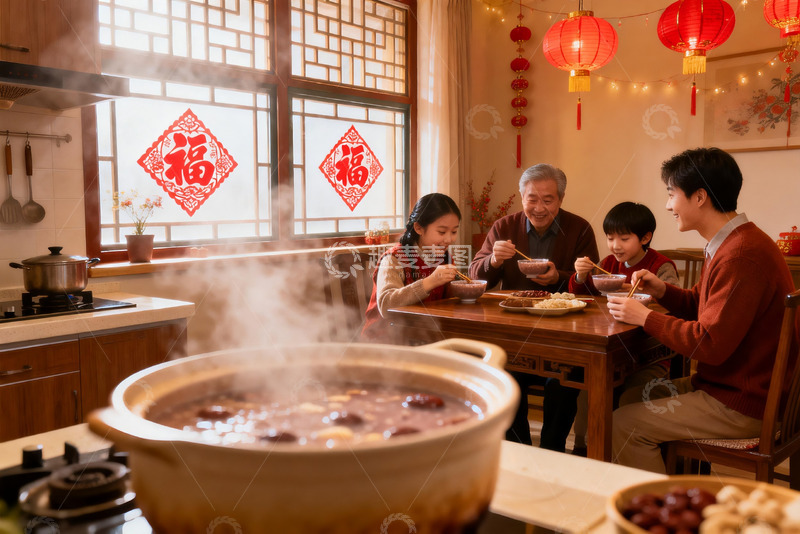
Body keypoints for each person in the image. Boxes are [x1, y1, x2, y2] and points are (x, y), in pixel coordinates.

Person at [609, 147, 797, 474]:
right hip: (730, 389)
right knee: (630, 399)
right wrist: (662, 290)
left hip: (743, 404)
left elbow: (709, 344)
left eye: (671, 194)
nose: (668, 205)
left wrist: (644, 316)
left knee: (625, 423)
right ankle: (679, 490)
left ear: (699, 197)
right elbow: (701, 305)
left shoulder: (741, 255)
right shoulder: (732, 242)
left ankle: (660, 516)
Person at [469, 163, 599, 447]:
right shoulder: (504, 227)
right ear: (521, 196)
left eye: (548, 200)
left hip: (566, 336)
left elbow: (593, 285)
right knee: (504, 378)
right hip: (515, 333)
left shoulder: (579, 229)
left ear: (561, 200)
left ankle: (551, 450)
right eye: (532, 199)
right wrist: (493, 260)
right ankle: (521, 451)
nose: (539, 207)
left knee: (565, 384)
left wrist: (560, 277)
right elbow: (474, 276)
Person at [567, 201, 679, 456]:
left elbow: (670, 306)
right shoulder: (607, 262)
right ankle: (584, 447)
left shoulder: (661, 266)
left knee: (633, 393)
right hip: (611, 349)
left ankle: (627, 450)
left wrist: (641, 290)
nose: (615, 245)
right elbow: (584, 294)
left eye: (624, 238)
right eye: (610, 237)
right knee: (589, 387)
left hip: (649, 354)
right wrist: (581, 275)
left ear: (645, 237)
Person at [361, 193, 461, 342]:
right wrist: (431, 281)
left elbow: (449, 303)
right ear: (418, 228)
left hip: (423, 337)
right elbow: (386, 305)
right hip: (386, 342)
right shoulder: (394, 259)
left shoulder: (444, 258)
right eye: (442, 232)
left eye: (454, 232)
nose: (449, 239)